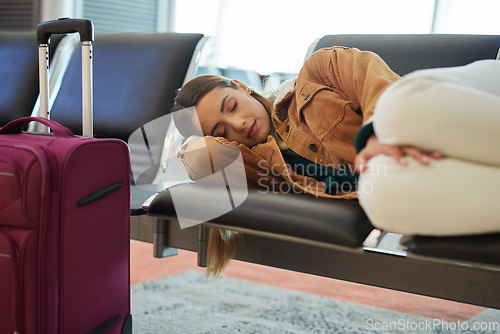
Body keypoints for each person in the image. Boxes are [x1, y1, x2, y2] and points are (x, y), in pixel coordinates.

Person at [172, 46, 500, 276]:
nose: (238, 125)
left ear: (243, 87)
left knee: (399, 109)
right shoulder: (263, 168)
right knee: (382, 199)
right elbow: (202, 159)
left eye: (232, 107)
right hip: (418, 165)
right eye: (222, 131)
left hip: (448, 106)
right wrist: (198, 137)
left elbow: (374, 80)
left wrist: (376, 134)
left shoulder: (314, 73)